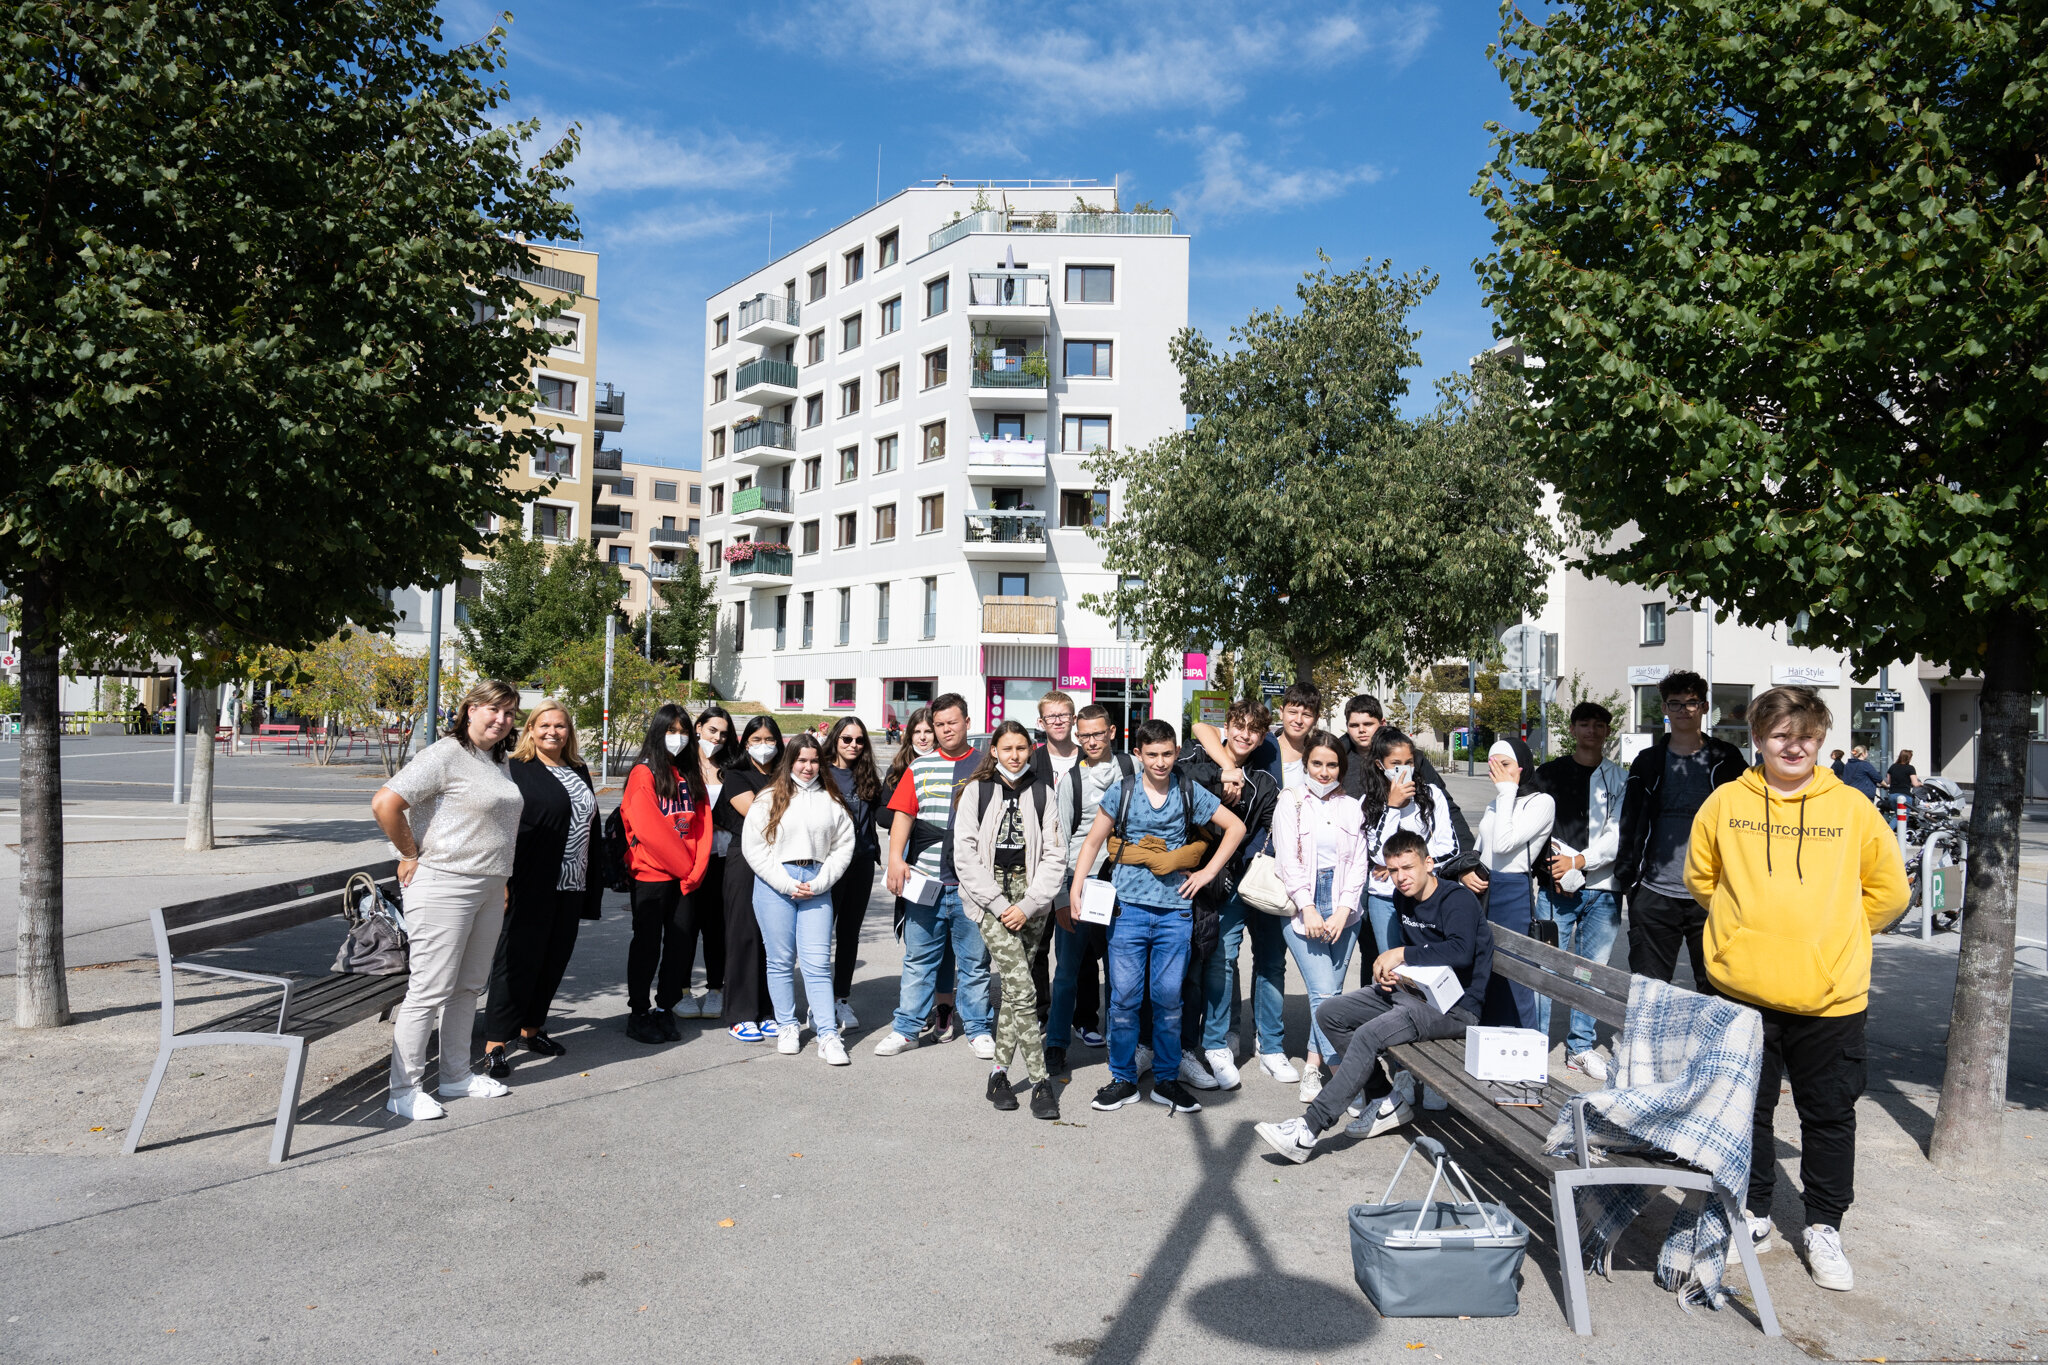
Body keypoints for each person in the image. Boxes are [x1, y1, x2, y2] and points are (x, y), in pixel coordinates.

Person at [1688, 686, 1907, 1294]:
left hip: (1830, 996)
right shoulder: (1725, 802)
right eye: (1781, 735)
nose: (1795, 746)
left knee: (1830, 1114)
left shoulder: (1854, 808)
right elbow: (1701, 878)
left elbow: (1889, 894)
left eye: (1807, 735)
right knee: (1746, 1113)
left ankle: (1823, 1226)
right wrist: (1740, 936)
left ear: (1821, 739)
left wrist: (1832, 938)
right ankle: (1752, 1212)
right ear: (1757, 738)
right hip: (1742, 988)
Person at [1255, 830, 1491, 1162]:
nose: (1401, 878)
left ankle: (1307, 1131)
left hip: (1455, 1008)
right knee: (1329, 1013)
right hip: (1413, 993)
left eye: (1408, 868)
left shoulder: (1457, 900)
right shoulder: (1403, 898)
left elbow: (1461, 952)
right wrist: (1397, 970)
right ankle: (1384, 1099)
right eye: (1393, 871)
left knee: (1368, 1035)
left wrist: (1401, 955)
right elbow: (1422, 958)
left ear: (1429, 863)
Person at [1068, 719, 1246, 1114]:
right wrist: (1076, 888)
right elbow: (1093, 841)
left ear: (1176, 752)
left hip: (1175, 915)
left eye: (1167, 754)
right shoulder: (1124, 791)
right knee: (1124, 1000)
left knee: (1168, 1001)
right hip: (1127, 912)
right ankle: (1123, 1079)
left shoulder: (1188, 791)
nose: (1161, 762)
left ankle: (1166, 1080)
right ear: (1139, 755)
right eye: (1152, 755)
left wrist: (1206, 873)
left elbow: (1235, 827)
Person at [370, 679, 525, 1121]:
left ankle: (456, 1076)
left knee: (468, 986)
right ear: (470, 708)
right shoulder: (444, 754)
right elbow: (385, 803)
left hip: (489, 885)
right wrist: (409, 852)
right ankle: (404, 1089)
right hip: (444, 882)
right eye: (493, 709)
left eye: (510, 713)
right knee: (430, 988)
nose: (502, 719)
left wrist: (501, 877)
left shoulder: (496, 759)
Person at [953, 721, 1068, 1118]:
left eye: (1022, 748)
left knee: (1015, 995)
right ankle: (1040, 1083)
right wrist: (1001, 904)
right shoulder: (976, 791)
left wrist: (1032, 902)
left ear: (1030, 750)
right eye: (1007, 748)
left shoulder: (1043, 793)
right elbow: (964, 855)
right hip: (991, 901)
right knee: (1023, 990)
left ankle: (999, 1075)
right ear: (995, 751)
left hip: (1031, 903)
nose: (1015, 755)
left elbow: (1056, 855)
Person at [482, 702, 603, 1077]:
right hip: (529, 881)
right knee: (516, 961)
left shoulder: (578, 769)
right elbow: (499, 827)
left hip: (572, 882)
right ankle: (496, 1042)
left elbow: (588, 825)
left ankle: (532, 1029)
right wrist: (500, 879)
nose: (553, 731)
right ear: (530, 729)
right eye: (545, 724)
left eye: (561, 726)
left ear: (570, 732)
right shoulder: (515, 769)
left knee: (554, 959)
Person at [875, 694, 994, 1058]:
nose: (945, 730)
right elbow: (903, 816)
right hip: (925, 881)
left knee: (974, 962)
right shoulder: (919, 767)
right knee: (918, 960)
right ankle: (906, 1029)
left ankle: (978, 1029)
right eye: (939, 724)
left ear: (967, 723)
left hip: (972, 887)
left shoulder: (987, 767)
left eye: (952, 723)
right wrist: (895, 859)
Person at [1615, 669, 1748, 990]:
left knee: (1718, 989)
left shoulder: (1726, 759)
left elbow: (1746, 820)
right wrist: (1627, 879)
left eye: (1692, 703)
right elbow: (1630, 822)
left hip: (1714, 895)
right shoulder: (1647, 761)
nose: (1683, 711)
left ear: (1704, 707)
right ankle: (1646, 1042)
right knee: (1649, 989)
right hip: (1655, 892)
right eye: (1675, 704)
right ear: (1663, 708)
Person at [1179, 698, 1284, 1091]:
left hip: (1230, 880)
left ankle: (1215, 1044)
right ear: (1228, 725)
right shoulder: (1196, 755)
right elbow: (1195, 732)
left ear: (1261, 738)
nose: (1244, 735)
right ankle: (1170, 1046)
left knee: (1221, 960)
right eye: (1238, 726)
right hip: (1185, 875)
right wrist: (1225, 769)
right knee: (1188, 968)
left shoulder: (1265, 782)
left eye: (1253, 731)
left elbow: (1266, 829)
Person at [1270, 729, 1371, 1104]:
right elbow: (1287, 860)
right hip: (1304, 904)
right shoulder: (1291, 801)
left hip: (1345, 907)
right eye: (1317, 764)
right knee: (1325, 994)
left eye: (1332, 765)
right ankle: (1343, 1073)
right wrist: (1308, 906)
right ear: (1306, 764)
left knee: (1328, 996)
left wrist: (1344, 909)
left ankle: (1311, 1068)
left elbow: (1359, 862)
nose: (1324, 772)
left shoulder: (1351, 806)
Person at [742, 733, 857, 1063]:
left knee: (817, 963)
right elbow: (755, 848)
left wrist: (821, 882)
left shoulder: (831, 801)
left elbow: (842, 847)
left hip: (816, 885)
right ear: (790, 760)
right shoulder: (768, 799)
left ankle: (827, 1034)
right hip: (775, 886)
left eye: (814, 760)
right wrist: (784, 882)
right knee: (779, 961)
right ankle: (787, 1025)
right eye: (802, 760)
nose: (808, 767)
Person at [1533, 702, 1627, 1080]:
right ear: (1572, 729)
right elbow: (1535, 829)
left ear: (1608, 731)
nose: (1592, 731)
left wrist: (1580, 862)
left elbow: (1619, 833)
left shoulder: (1619, 778)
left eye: (1599, 725)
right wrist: (1553, 866)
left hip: (1603, 891)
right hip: (1555, 891)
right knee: (1544, 967)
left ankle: (1581, 1048)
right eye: (1584, 724)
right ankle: (1534, 1043)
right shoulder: (1549, 775)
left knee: (1589, 973)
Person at [619, 705, 714, 1045]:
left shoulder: (689, 773)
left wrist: (696, 869)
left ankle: (665, 1008)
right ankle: (639, 1011)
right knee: (646, 946)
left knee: (679, 946)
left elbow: (703, 826)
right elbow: (648, 829)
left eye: (684, 731)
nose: (678, 738)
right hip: (653, 877)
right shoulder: (644, 774)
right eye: (671, 731)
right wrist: (685, 868)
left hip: (686, 878)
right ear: (658, 733)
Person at [1045, 705, 1122, 1077]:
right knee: (1067, 975)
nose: (1092, 741)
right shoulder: (1071, 782)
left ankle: (1124, 1045)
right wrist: (1062, 897)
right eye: (1085, 735)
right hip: (1079, 885)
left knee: (1122, 973)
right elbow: (1057, 843)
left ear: (1111, 731)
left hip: (1123, 889)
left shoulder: (1133, 769)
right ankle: (1056, 1044)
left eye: (1098, 733)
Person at [879, 707, 962, 1040]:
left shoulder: (959, 768)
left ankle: (943, 1009)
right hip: (916, 867)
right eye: (920, 732)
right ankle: (915, 1014)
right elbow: (887, 816)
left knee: (947, 948)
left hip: (950, 870)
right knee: (921, 945)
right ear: (908, 736)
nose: (927, 736)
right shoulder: (904, 770)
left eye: (933, 730)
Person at [1463, 737, 1554, 1029]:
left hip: (1513, 892)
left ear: (1523, 766)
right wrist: (1465, 873)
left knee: (1515, 976)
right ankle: (1486, 1039)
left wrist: (1506, 792)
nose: (1499, 774)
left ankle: (1523, 1045)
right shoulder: (1496, 802)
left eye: (1506, 765)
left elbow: (1504, 845)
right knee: (1484, 971)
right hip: (1484, 890)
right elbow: (1481, 849)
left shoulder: (1542, 802)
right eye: (1494, 767)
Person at [1356, 727, 1458, 966]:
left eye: (1409, 762)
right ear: (1381, 765)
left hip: (1425, 894)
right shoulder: (1369, 802)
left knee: (1428, 964)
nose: (1404, 769)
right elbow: (1378, 854)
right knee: (1394, 967)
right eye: (1395, 764)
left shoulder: (1432, 795)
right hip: (1384, 898)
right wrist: (1392, 807)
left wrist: (1409, 868)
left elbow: (1450, 847)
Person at [714, 716, 784, 1042]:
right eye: (755, 739)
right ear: (745, 743)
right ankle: (741, 1013)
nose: (763, 745)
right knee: (743, 936)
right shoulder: (736, 775)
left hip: (780, 862)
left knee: (771, 938)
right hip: (745, 862)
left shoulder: (786, 773)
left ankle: (768, 1010)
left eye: (769, 739)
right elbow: (759, 815)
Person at [1338, 694, 1472, 850]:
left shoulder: (1413, 758)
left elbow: (1447, 809)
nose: (1361, 730)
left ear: (1382, 723)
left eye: (1368, 724)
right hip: (1358, 853)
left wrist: (1468, 855)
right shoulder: (1338, 761)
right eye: (1354, 725)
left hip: (1408, 854)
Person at [1025, 691, 1083, 1023]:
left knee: (1079, 947)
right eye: (1052, 717)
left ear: (1073, 719)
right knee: (1037, 944)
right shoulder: (1032, 761)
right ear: (1041, 722)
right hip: (1039, 864)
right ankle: (1041, 1012)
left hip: (1079, 862)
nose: (1058, 721)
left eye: (1064, 715)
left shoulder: (1089, 758)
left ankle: (1082, 1017)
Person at [673, 705, 734, 1021]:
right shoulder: (681, 766)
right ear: (698, 727)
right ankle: (681, 992)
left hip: (722, 860)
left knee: (716, 929)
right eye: (713, 731)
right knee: (684, 927)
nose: (718, 738)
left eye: (723, 734)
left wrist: (720, 821)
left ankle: (715, 989)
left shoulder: (730, 767)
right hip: (686, 861)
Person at [824, 716, 883, 1031]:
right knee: (819, 936)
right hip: (827, 865)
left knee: (849, 935)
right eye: (847, 739)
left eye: (859, 740)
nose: (853, 745)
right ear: (835, 739)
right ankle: (819, 1003)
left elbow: (883, 812)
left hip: (860, 863)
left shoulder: (866, 775)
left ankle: (840, 999)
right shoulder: (819, 771)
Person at [1191, 681, 1320, 793]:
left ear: (1316, 719)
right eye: (1292, 712)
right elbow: (1200, 728)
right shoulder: (1263, 742)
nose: (1298, 720)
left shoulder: (1318, 757)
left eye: (1307, 715)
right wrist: (1228, 767)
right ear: (1281, 712)